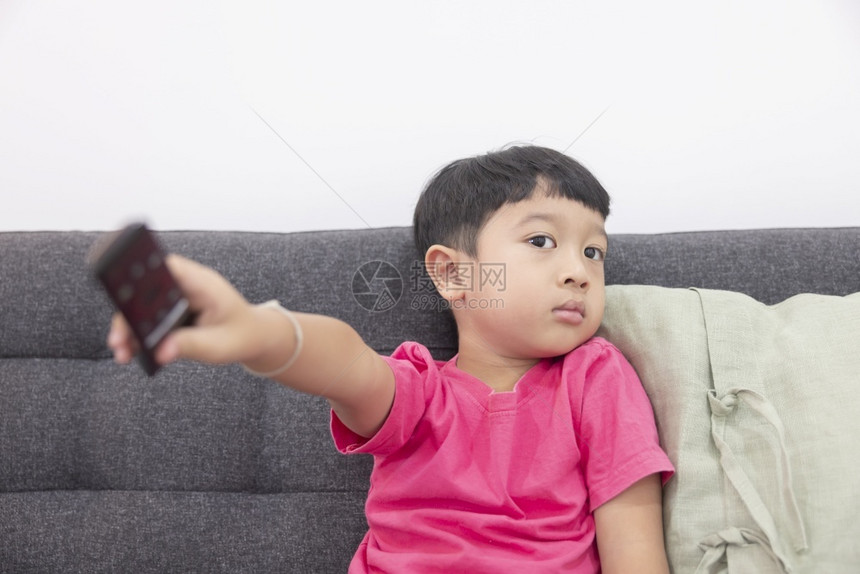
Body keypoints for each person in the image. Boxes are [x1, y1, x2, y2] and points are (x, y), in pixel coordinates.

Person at [108, 145, 674, 573]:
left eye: (594, 251)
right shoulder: (421, 392)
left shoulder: (595, 376)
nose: (580, 270)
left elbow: (634, 540)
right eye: (542, 241)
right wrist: (261, 331)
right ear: (453, 274)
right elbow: (346, 364)